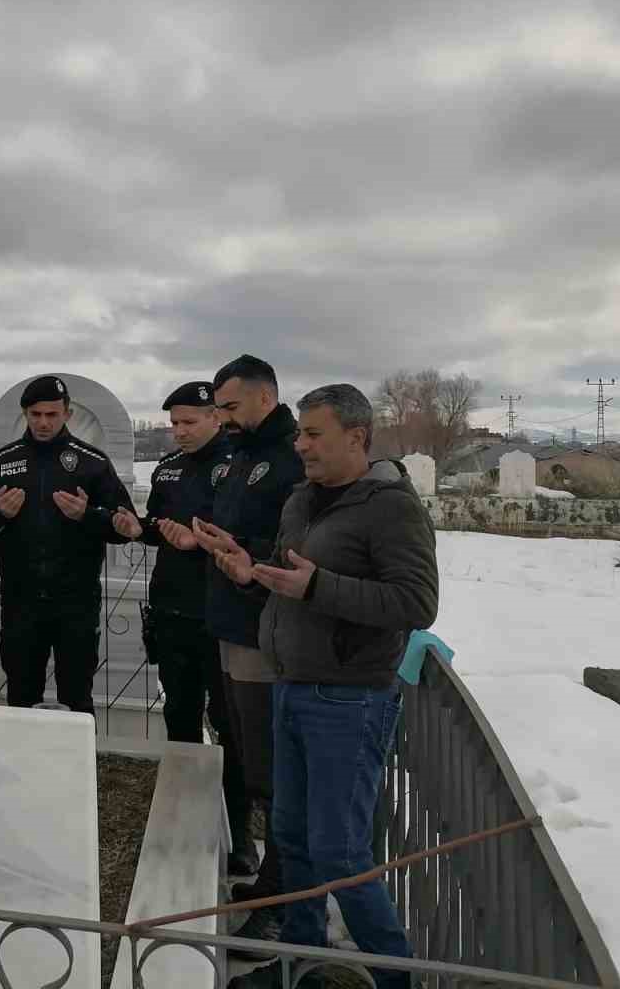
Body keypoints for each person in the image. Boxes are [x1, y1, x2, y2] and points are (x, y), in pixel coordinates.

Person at [218, 385, 438, 989]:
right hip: (291, 688)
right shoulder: (301, 499)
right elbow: (292, 580)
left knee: (341, 855)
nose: (301, 444)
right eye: (299, 434)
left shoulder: (391, 507)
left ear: (357, 437)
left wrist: (317, 588)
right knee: (292, 838)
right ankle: (301, 968)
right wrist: (248, 570)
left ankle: (399, 979)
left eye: (313, 434)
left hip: (350, 700)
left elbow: (417, 602)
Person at [190, 354, 303, 938]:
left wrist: (244, 554)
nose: (224, 418)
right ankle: (273, 884)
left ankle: (283, 901)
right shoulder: (242, 456)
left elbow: (296, 546)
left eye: (231, 407)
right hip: (230, 625)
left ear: (266, 397)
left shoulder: (290, 459)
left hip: (265, 630)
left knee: (274, 769)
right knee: (249, 758)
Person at [0, 375, 141, 714]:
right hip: (21, 602)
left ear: (67, 414)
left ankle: (76, 766)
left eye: (52, 414)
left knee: (77, 696)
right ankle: (19, 766)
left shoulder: (92, 462)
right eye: (36, 414)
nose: (44, 422)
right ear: (25, 414)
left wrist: (88, 516)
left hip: (76, 603)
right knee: (20, 696)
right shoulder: (3, 461)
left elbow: (126, 526)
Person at [133, 382, 246, 860]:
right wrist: (131, 528)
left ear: (215, 418)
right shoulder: (167, 470)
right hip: (172, 611)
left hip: (221, 615)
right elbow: (158, 529)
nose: (178, 432)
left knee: (229, 725)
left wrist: (198, 543)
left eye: (188, 422)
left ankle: (238, 837)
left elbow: (250, 539)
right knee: (179, 714)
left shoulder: (240, 468)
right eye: (174, 423)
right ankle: (186, 819)